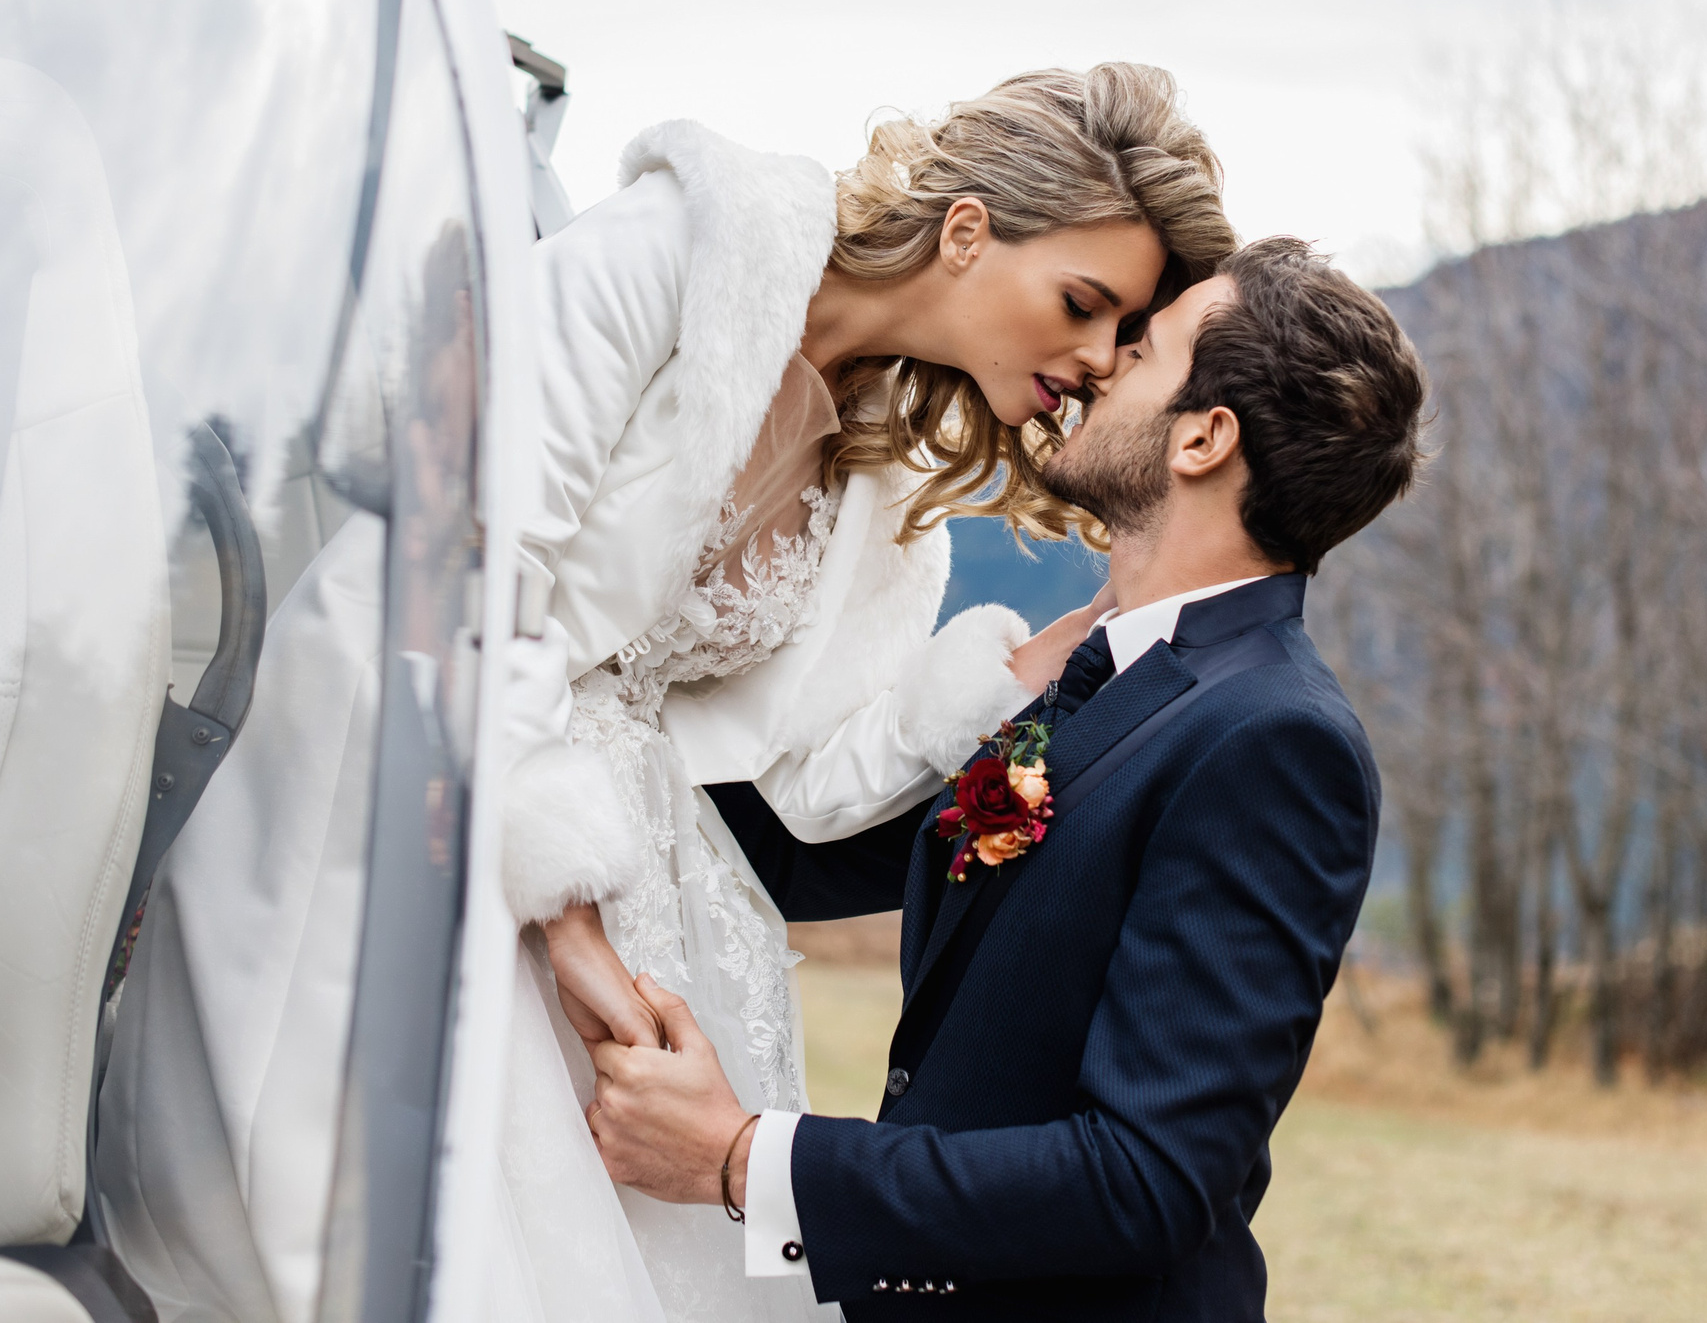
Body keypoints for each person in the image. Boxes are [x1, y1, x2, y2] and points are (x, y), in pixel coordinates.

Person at [96, 64, 1236, 1323]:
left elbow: (808, 777)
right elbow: (468, 561)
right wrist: (570, 926)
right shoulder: (682, 247)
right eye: (1084, 303)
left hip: (633, 860)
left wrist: (1054, 646)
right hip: (411, 771)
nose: (1090, 358)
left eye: (1118, 336)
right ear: (968, 229)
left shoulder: (885, 483)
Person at [582, 237, 1429, 1322]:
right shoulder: (1100, 676)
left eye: (1145, 351)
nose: (1099, 366)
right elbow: (794, 860)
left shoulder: (1270, 738)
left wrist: (746, 1157)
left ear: (1204, 436)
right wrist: (589, 697)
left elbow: (1145, 1179)